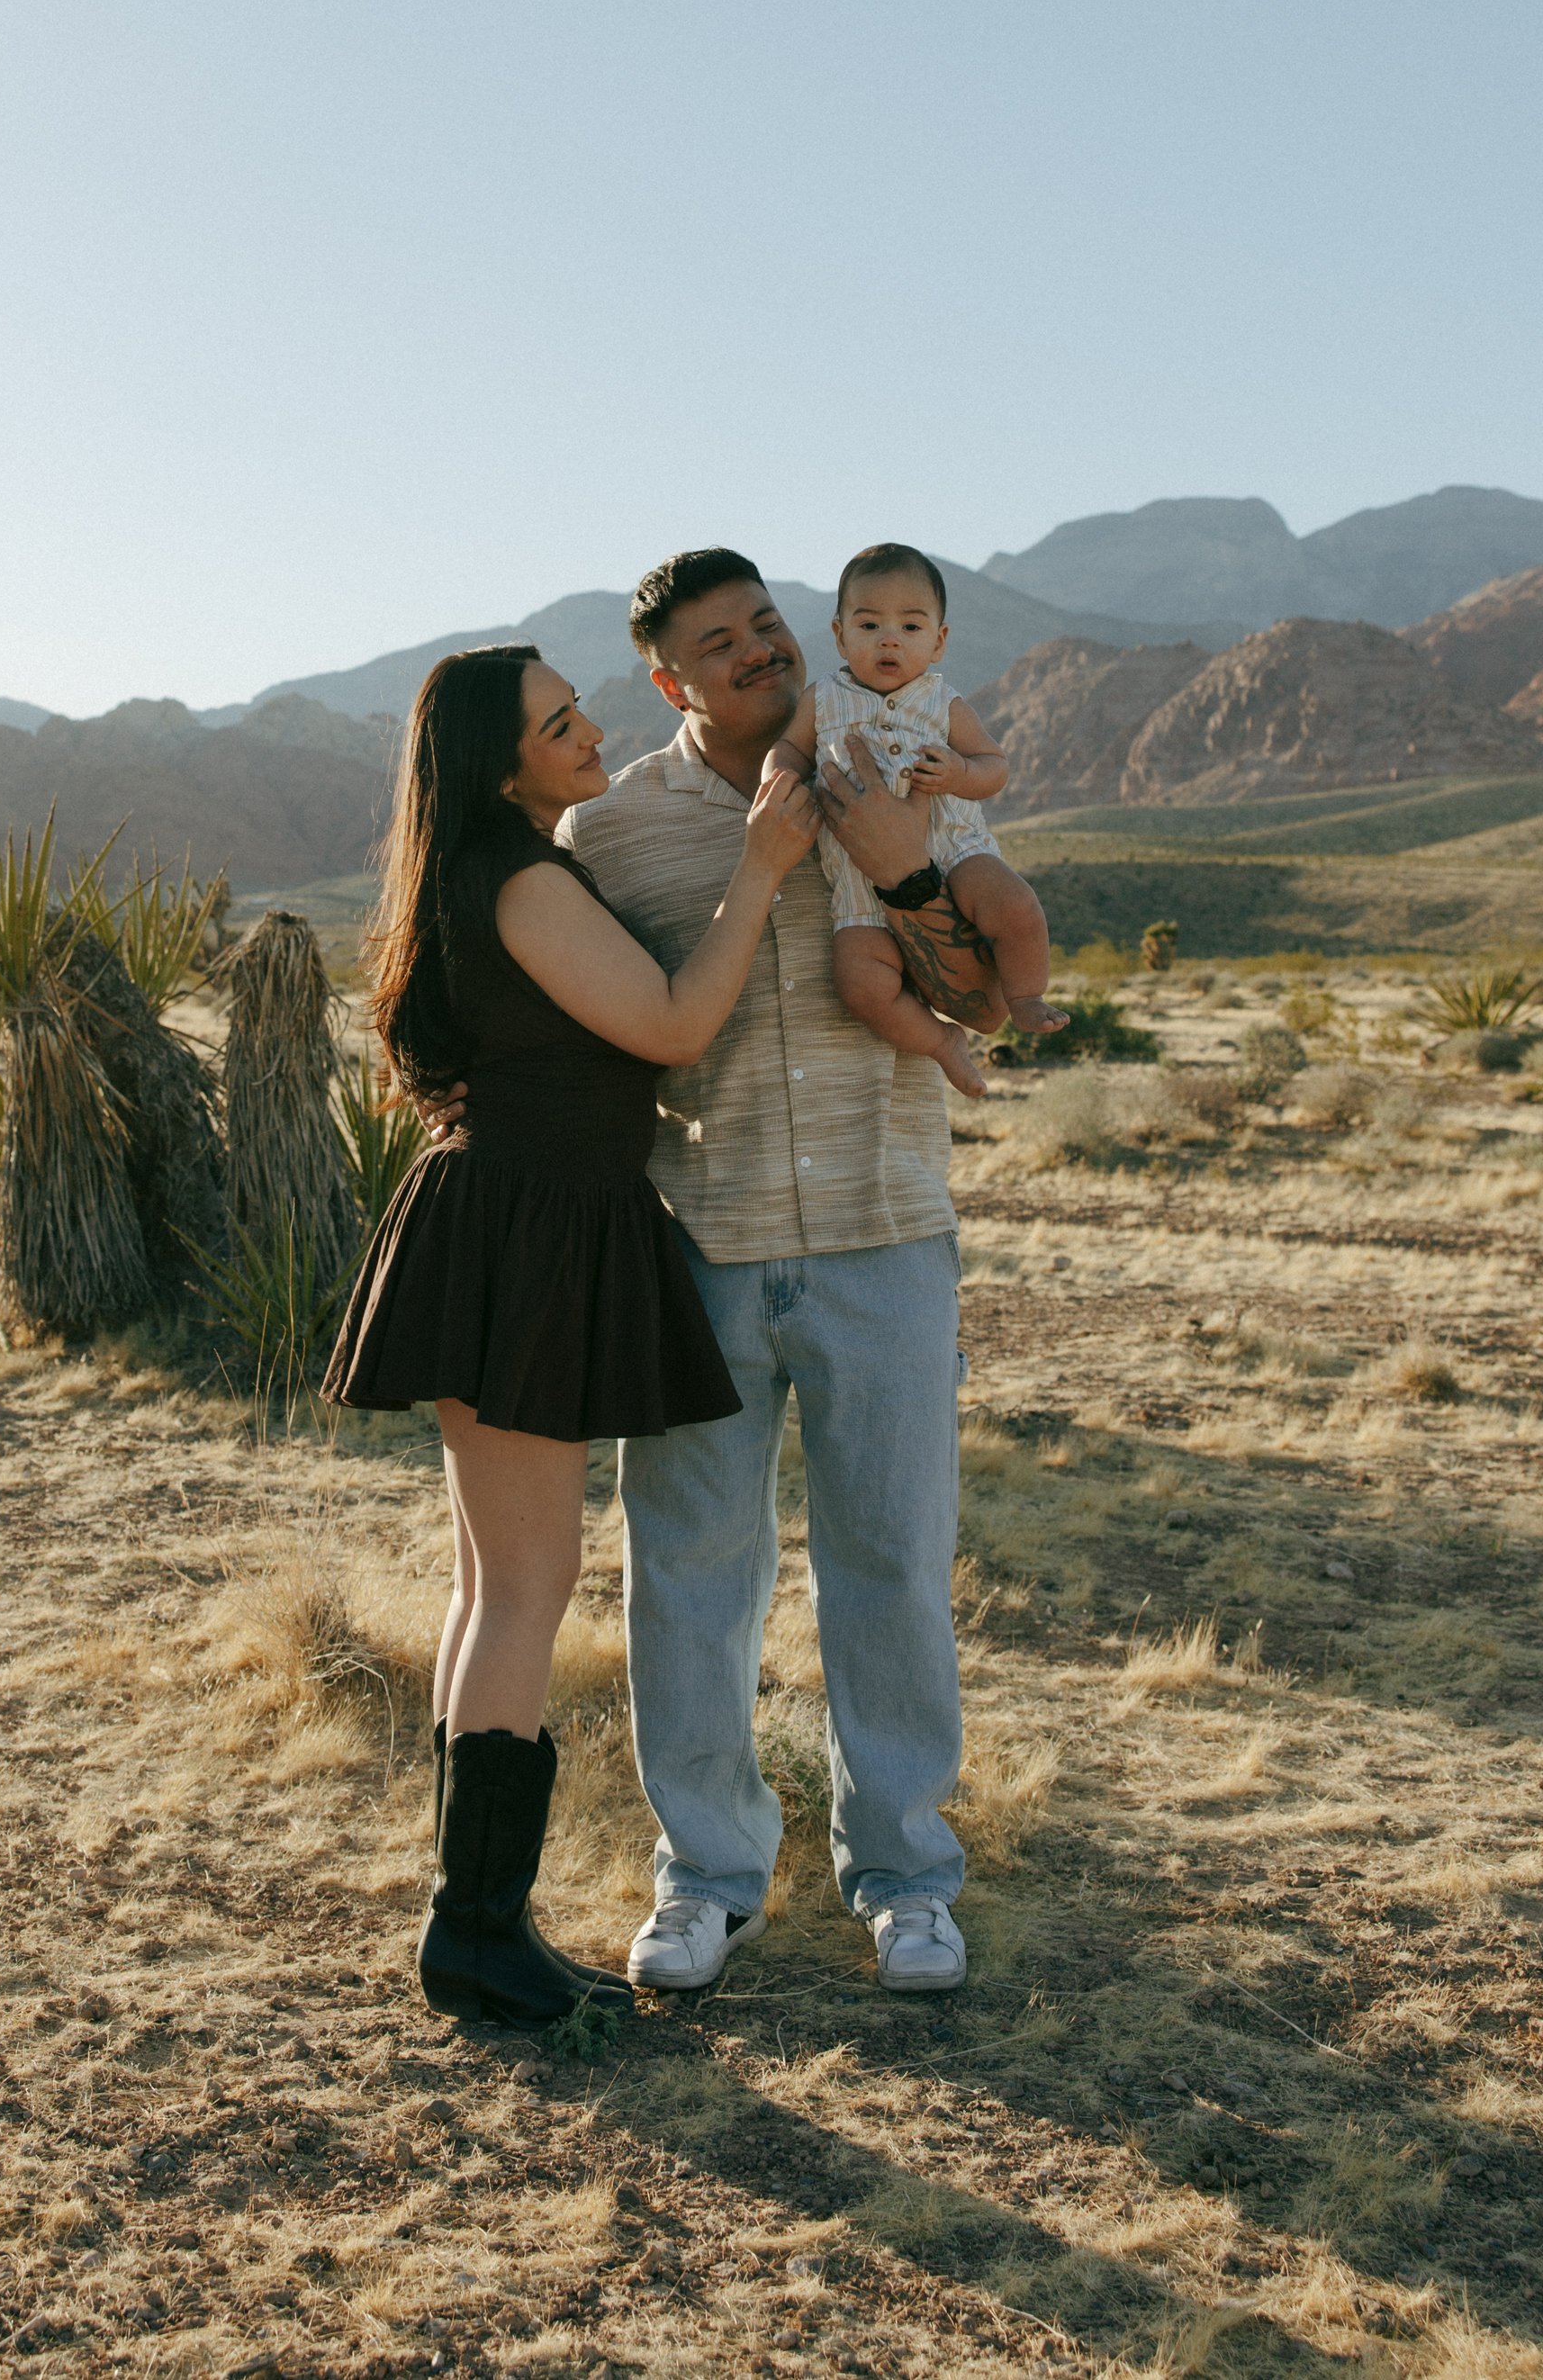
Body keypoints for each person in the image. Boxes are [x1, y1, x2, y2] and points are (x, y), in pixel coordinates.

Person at [323, 641, 816, 2029]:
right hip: (527, 1235)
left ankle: (478, 1920)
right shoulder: (526, 875)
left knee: (499, 1586)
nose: (590, 729)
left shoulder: (485, 865)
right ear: (501, 761)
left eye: (578, 705)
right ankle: (475, 1928)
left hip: (507, 1226)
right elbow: (668, 1023)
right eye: (558, 722)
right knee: (524, 1588)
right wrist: (763, 869)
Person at [559, 548, 992, 1997]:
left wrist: (902, 867)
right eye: (717, 643)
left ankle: (910, 1876)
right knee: (687, 1573)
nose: (758, 653)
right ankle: (708, 1875)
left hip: (887, 1232)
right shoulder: (613, 833)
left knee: (892, 1564)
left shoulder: (899, 757)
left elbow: (987, 991)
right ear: (669, 681)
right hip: (704, 1244)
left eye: (767, 626)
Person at [763, 540, 1065, 1095]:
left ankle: (1025, 994)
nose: (889, 639)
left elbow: (994, 765)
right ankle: (940, 1042)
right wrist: (776, 780)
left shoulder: (943, 703)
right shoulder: (822, 699)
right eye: (870, 623)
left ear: (939, 641)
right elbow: (790, 749)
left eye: (910, 627)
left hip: (955, 849)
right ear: (839, 635)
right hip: (856, 883)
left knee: (1016, 906)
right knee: (858, 985)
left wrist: (956, 773)